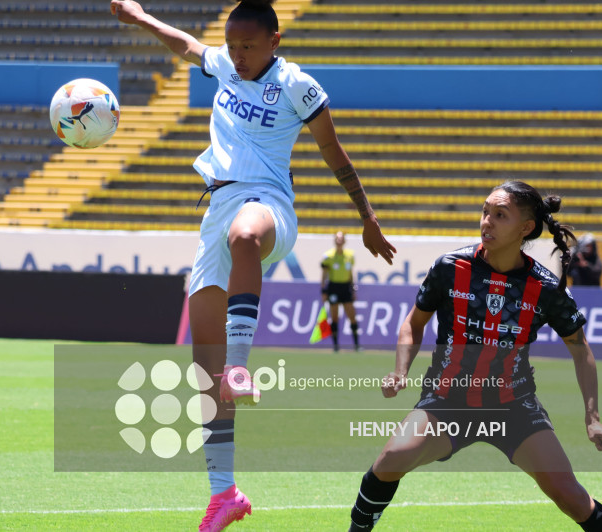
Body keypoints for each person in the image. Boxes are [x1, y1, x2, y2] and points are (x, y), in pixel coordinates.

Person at [110, 1, 397, 530]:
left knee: (246, 236)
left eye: (248, 46)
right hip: (215, 211)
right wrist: (142, 17)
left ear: (275, 40)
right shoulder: (222, 63)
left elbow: (334, 151)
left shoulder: (297, 86)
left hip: (268, 205)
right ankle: (224, 495)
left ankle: (242, 365)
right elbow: (186, 45)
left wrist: (368, 217)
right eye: (232, 45)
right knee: (203, 372)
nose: (237, 56)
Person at [347, 181, 602, 532]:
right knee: (390, 460)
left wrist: (592, 416)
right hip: (447, 401)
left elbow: (580, 349)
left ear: (525, 228)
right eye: (485, 211)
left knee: (570, 496)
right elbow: (413, 325)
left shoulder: (545, 288)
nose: (487, 221)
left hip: (514, 406)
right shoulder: (450, 267)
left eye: (500, 215)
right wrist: (400, 371)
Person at [321, 231, 362, 351]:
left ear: (344, 241)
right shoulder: (328, 256)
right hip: (334, 287)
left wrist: (353, 288)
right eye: (337, 239)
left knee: (352, 316)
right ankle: (335, 346)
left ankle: (356, 345)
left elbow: (350, 273)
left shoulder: (350, 255)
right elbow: (324, 275)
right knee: (334, 317)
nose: (339, 241)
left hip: (345, 287)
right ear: (334, 241)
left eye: (341, 239)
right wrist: (324, 290)